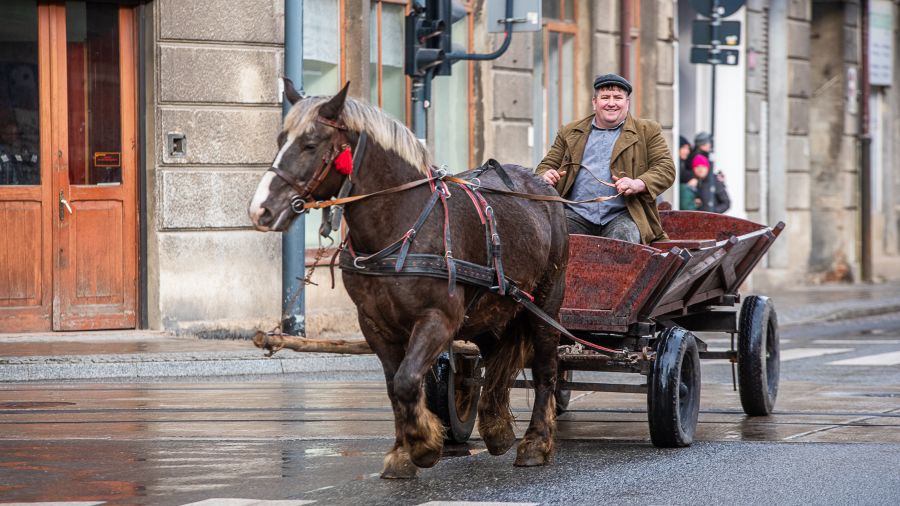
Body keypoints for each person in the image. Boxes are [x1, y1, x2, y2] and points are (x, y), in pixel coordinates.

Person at [536, 73, 675, 244]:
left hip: (625, 214)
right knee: (549, 238)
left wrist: (637, 183)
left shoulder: (647, 130)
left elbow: (665, 168)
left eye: (618, 97)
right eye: (605, 97)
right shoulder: (570, 131)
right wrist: (546, 174)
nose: (611, 103)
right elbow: (546, 165)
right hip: (575, 213)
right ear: (595, 103)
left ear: (627, 103)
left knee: (623, 241)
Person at [688, 148, 730, 213]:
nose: (700, 169)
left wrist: (713, 213)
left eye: (703, 167)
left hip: (713, 219)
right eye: (697, 167)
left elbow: (726, 203)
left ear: (707, 167)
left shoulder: (715, 180)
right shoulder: (694, 182)